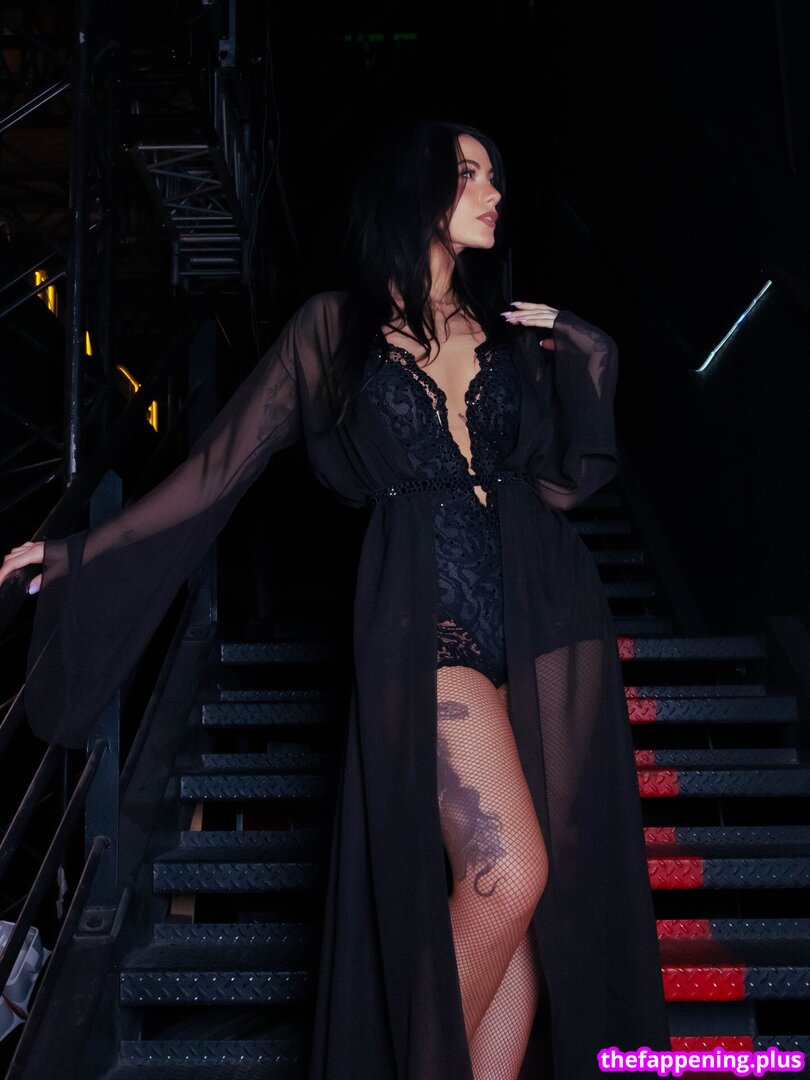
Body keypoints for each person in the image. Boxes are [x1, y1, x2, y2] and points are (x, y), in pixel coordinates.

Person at [0, 117, 671, 1078]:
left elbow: (562, 484)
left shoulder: (507, 335)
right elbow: (219, 469)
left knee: (530, 918)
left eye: (495, 176)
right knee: (508, 873)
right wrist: (79, 551)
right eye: (470, 174)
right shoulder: (333, 329)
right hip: (426, 619)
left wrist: (589, 354)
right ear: (413, 190)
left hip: (545, 611)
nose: (494, 193)